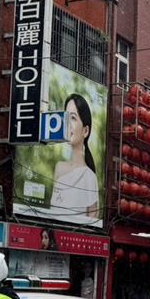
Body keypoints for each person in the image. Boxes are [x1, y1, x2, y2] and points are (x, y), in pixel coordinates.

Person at [49, 93, 99, 224]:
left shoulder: (89, 177)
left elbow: (92, 220)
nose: (67, 123)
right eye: (66, 117)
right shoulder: (59, 168)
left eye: (73, 118)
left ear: (86, 131)